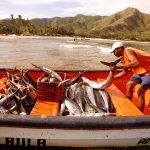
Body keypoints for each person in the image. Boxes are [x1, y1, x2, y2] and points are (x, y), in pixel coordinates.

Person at [109, 41, 150, 112]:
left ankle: (140, 113)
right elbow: (124, 72)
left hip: (149, 72)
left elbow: (136, 63)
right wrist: (112, 77)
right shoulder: (123, 58)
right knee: (129, 85)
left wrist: (117, 67)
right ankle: (130, 106)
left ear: (119, 49)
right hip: (140, 73)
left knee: (140, 92)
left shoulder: (128, 50)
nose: (114, 53)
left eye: (114, 51)